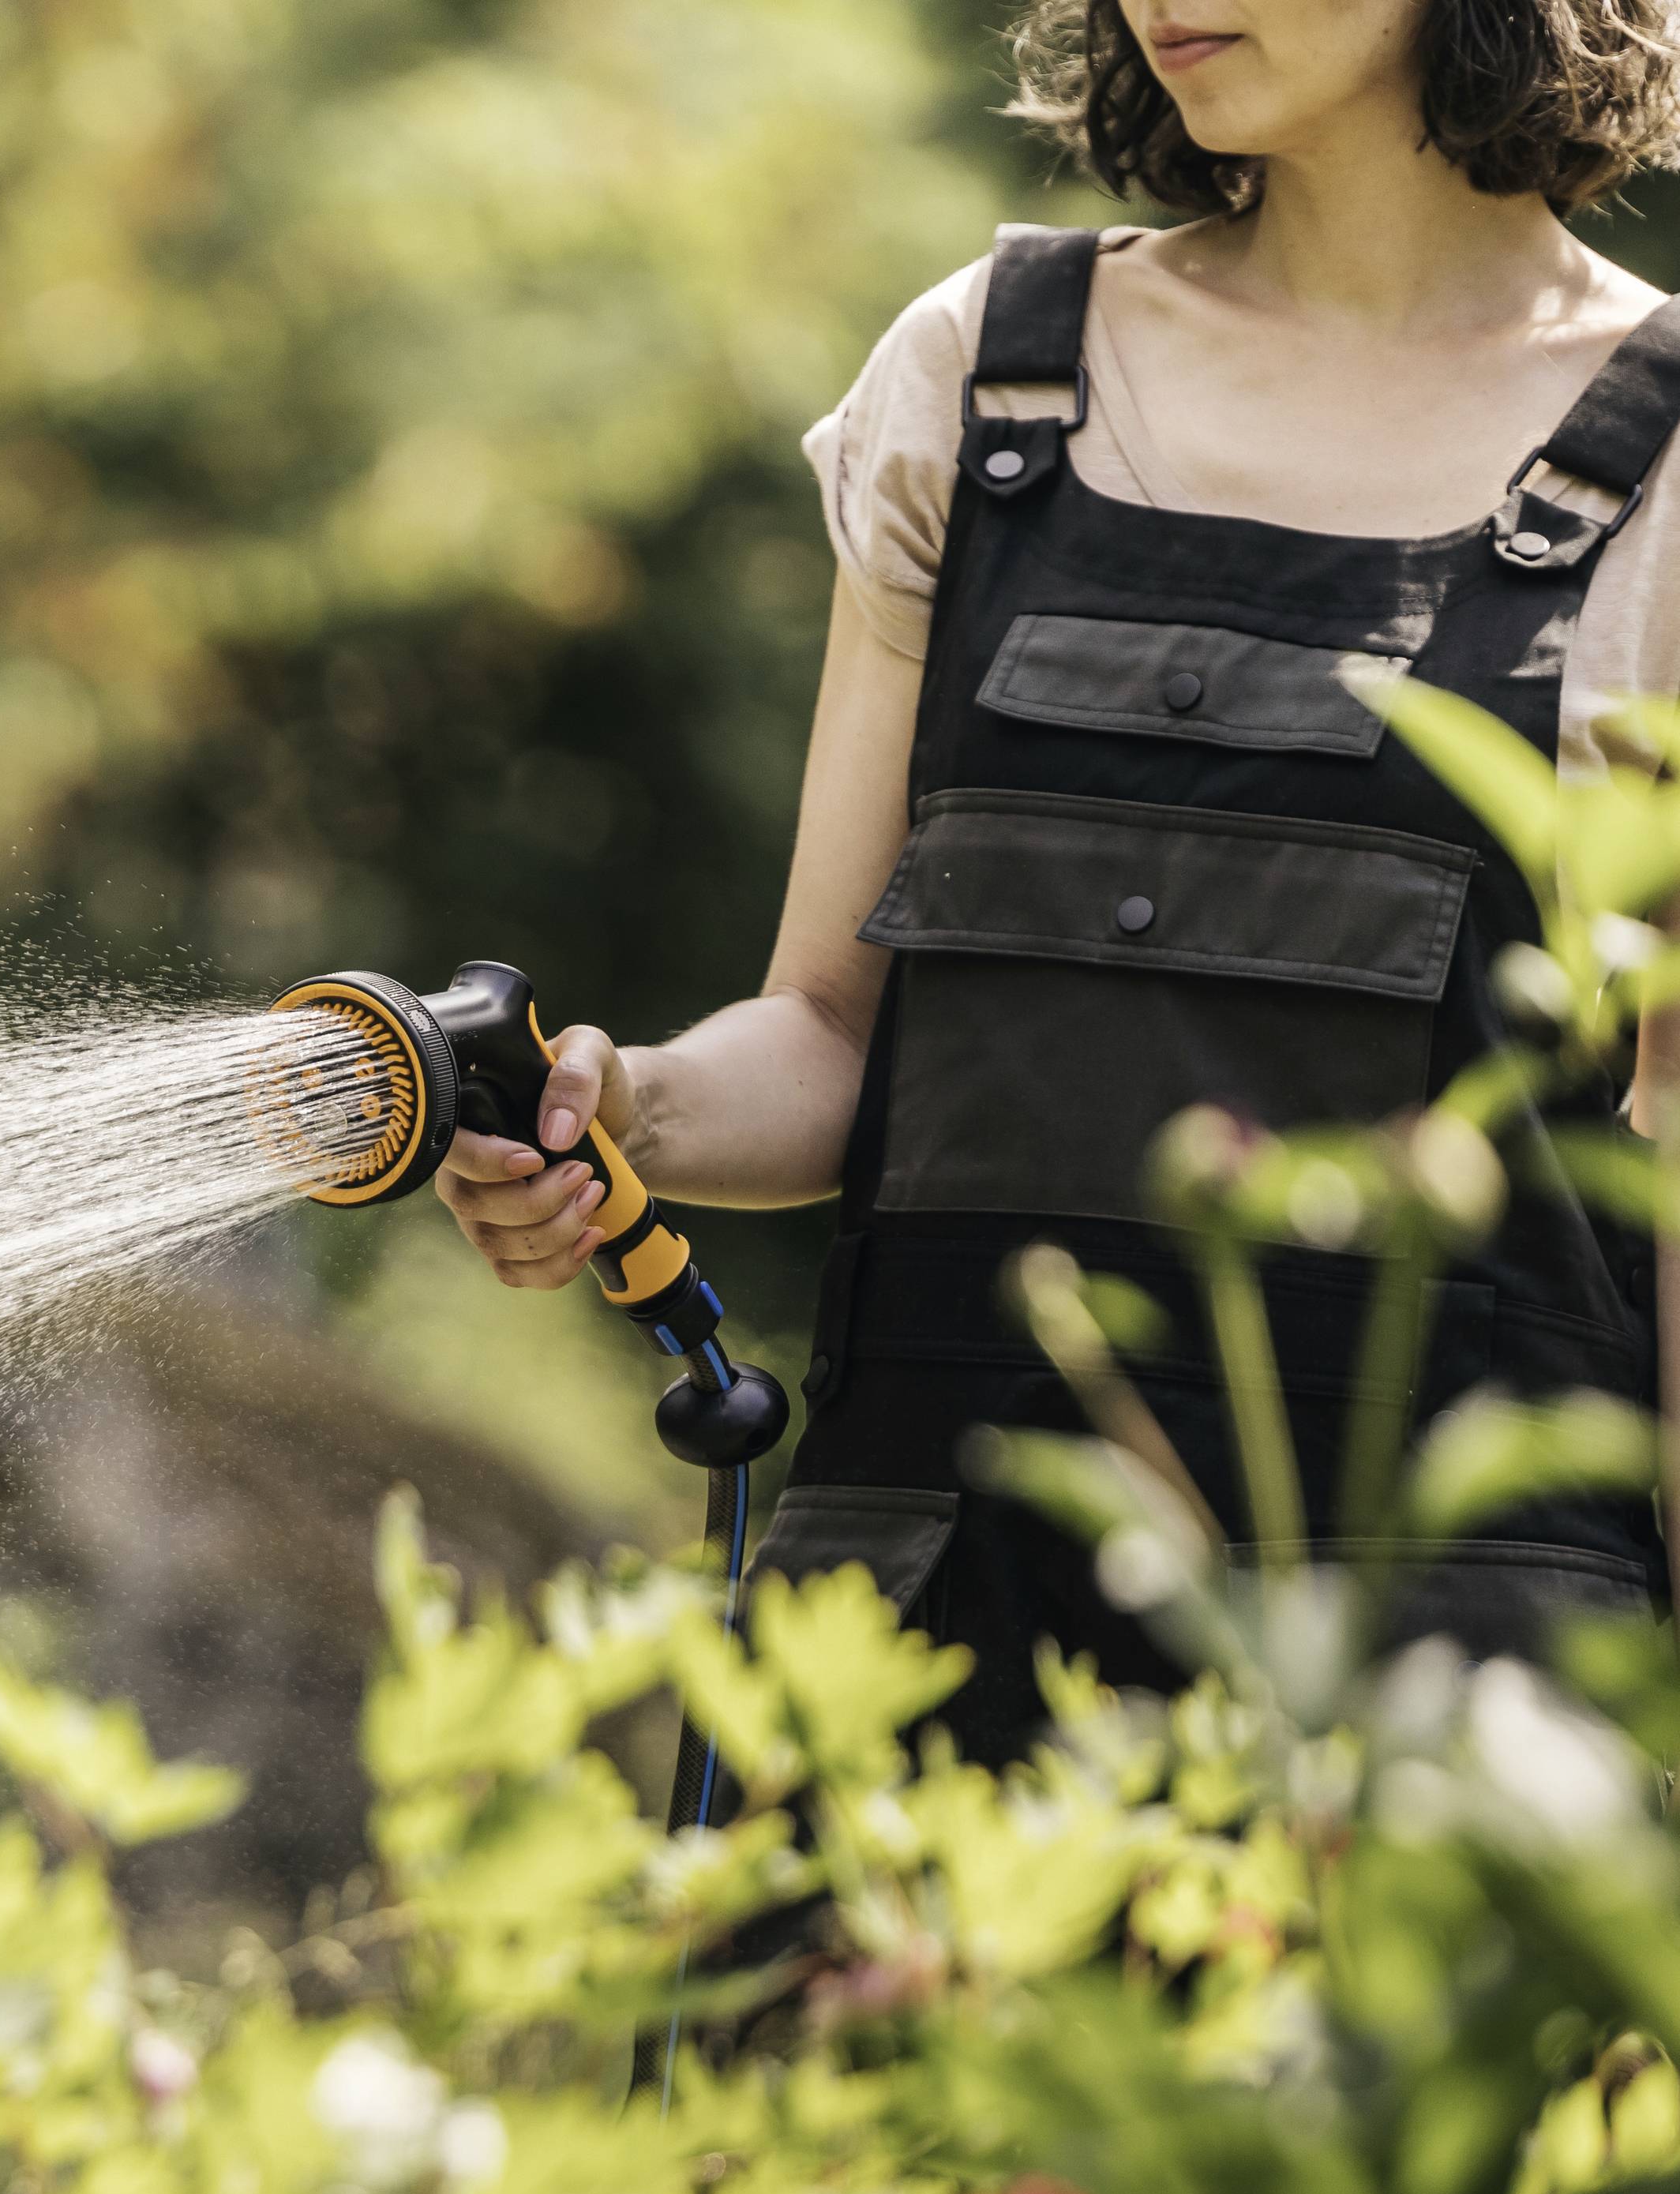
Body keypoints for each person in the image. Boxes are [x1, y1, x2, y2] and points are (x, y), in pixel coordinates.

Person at [433, 0, 1680, 1766]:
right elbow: (834, 1032)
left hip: (1451, 1742)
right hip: (915, 1674)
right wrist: (622, 1109)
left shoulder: (1672, 469)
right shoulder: (981, 375)